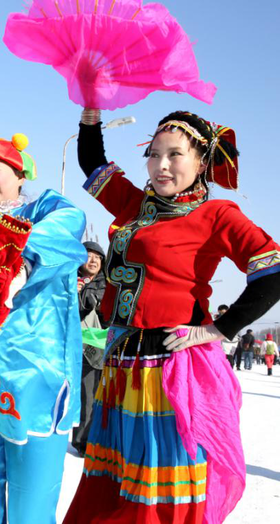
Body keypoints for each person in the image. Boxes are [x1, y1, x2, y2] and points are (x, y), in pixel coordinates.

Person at [65, 109, 280, 524]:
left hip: (170, 367)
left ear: (202, 162)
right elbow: (92, 163)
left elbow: (271, 271)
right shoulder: (133, 202)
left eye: (175, 155)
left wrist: (216, 330)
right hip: (122, 362)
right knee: (116, 481)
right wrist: (90, 116)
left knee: (159, 486)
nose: (161, 165)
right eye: (153, 154)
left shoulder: (217, 215)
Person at [0, 133, 87, 523]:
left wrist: (18, 260)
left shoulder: (46, 208)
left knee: (31, 507)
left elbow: (68, 227)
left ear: (19, 173)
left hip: (35, 385)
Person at [72, 241, 107, 454]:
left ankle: (84, 442)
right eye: (88, 255)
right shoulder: (68, 278)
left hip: (95, 345)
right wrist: (70, 291)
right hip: (70, 343)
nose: (93, 261)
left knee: (90, 395)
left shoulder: (108, 284)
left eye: (98, 257)